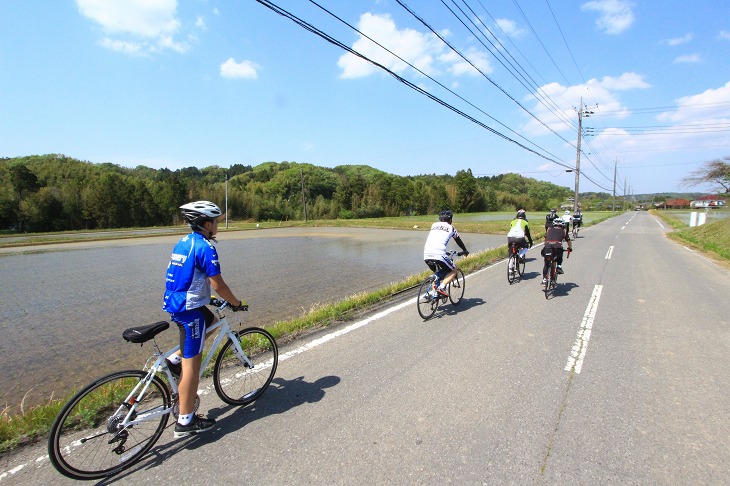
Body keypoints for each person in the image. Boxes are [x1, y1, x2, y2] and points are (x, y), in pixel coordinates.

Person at [162, 201, 248, 438]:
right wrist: (235, 303)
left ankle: (175, 358)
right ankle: (185, 421)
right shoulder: (206, 247)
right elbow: (218, 284)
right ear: (207, 224)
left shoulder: (183, 242)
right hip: (189, 310)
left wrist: (207, 298)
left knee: (210, 320)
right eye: (217, 222)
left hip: (180, 302)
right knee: (193, 366)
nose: (218, 226)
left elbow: (187, 277)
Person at [423, 209, 469, 297]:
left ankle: (435, 294)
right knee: (454, 270)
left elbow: (437, 239)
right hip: (439, 254)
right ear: (450, 219)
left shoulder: (434, 225)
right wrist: (465, 250)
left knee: (437, 273)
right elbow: (458, 240)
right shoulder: (451, 228)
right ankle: (442, 287)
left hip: (426, 254)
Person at [541, 218, 572, 284]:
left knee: (546, 264)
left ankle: (544, 280)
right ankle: (559, 267)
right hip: (557, 247)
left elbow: (545, 238)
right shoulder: (564, 230)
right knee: (560, 255)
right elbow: (568, 241)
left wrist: (546, 245)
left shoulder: (549, 229)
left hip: (547, 246)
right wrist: (570, 248)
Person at [506, 211, 533, 275]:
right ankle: (520, 256)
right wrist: (530, 241)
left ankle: (510, 269)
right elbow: (527, 233)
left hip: (510, 237)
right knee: (526, 247)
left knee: (510, 254)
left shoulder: (512, 222)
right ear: (524, 217)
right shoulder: (525, 222)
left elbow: (512, 229)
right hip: (519, 238)